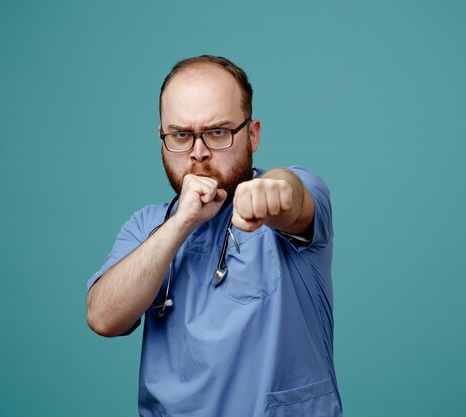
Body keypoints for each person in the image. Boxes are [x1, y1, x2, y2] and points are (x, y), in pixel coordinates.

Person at [86, 55, 342, 416]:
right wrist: (182, 222)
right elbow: (103, 318)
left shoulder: (289, 199)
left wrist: (275, 191)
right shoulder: (147, 226)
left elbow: (293, 195)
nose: (198, 152)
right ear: (162, 137)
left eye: (218, 132)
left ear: (252, 134)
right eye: (180, 135)